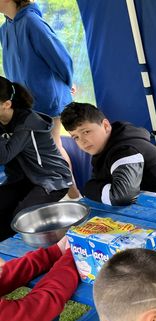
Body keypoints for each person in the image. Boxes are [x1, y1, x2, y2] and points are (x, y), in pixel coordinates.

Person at [0, 0, 80, 200]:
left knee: (53, 147)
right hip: (25, 103)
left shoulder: (32, 22)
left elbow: (61, 58)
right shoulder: (6, 28)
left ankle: (74, 196)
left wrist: (67, 81)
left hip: (46, 101)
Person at [0, 77, 73, 241]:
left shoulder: (28, 123)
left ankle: (24, 255)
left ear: (6, 104)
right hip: (21, 179)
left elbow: (4, 156)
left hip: (51, 179)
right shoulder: (2, 121)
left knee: (21, 217)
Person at [60, 102, 156, 206]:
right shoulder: (103, 149)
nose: (82, 141)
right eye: (76, 137)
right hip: (150, 206)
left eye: (86, 132)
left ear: (106, 126)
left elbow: (121, 197)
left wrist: (88, 188)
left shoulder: (126, 149)